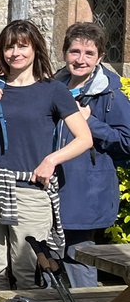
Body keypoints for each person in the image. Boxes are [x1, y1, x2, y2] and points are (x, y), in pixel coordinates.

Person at [0, 20, 92, 302]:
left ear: (35, 48)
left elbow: (84, 139)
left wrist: (51, 161)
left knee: (27, 270)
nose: (15, 52)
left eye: (22, 45)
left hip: (30, 191)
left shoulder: (53, 90)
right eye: (9, 46)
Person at [54, 23, 130, 287]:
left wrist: (91, 122)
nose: (80, 59)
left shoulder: (110, 95)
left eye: (88, 53)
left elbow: (127, 142)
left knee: (78, 261)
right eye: (74, 51)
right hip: (50, 187)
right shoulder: (54, 87)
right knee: (47, 262)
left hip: (85, 192)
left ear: (100, 58)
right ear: (65, 53)